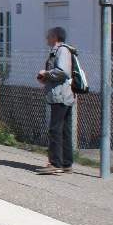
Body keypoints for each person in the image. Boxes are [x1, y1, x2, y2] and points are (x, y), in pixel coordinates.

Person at [36, 26, 75, 175]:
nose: (46, 38)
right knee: (64, 130)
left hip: (60, 96)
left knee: (55, 130)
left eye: (48, 35)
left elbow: (62, 72)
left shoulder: (62, 50)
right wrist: (46, 78)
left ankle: (55, 163)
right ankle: (66, 164)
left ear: (55, 37)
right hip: (62, 95)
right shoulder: (60, 51)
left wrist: (45, 73)